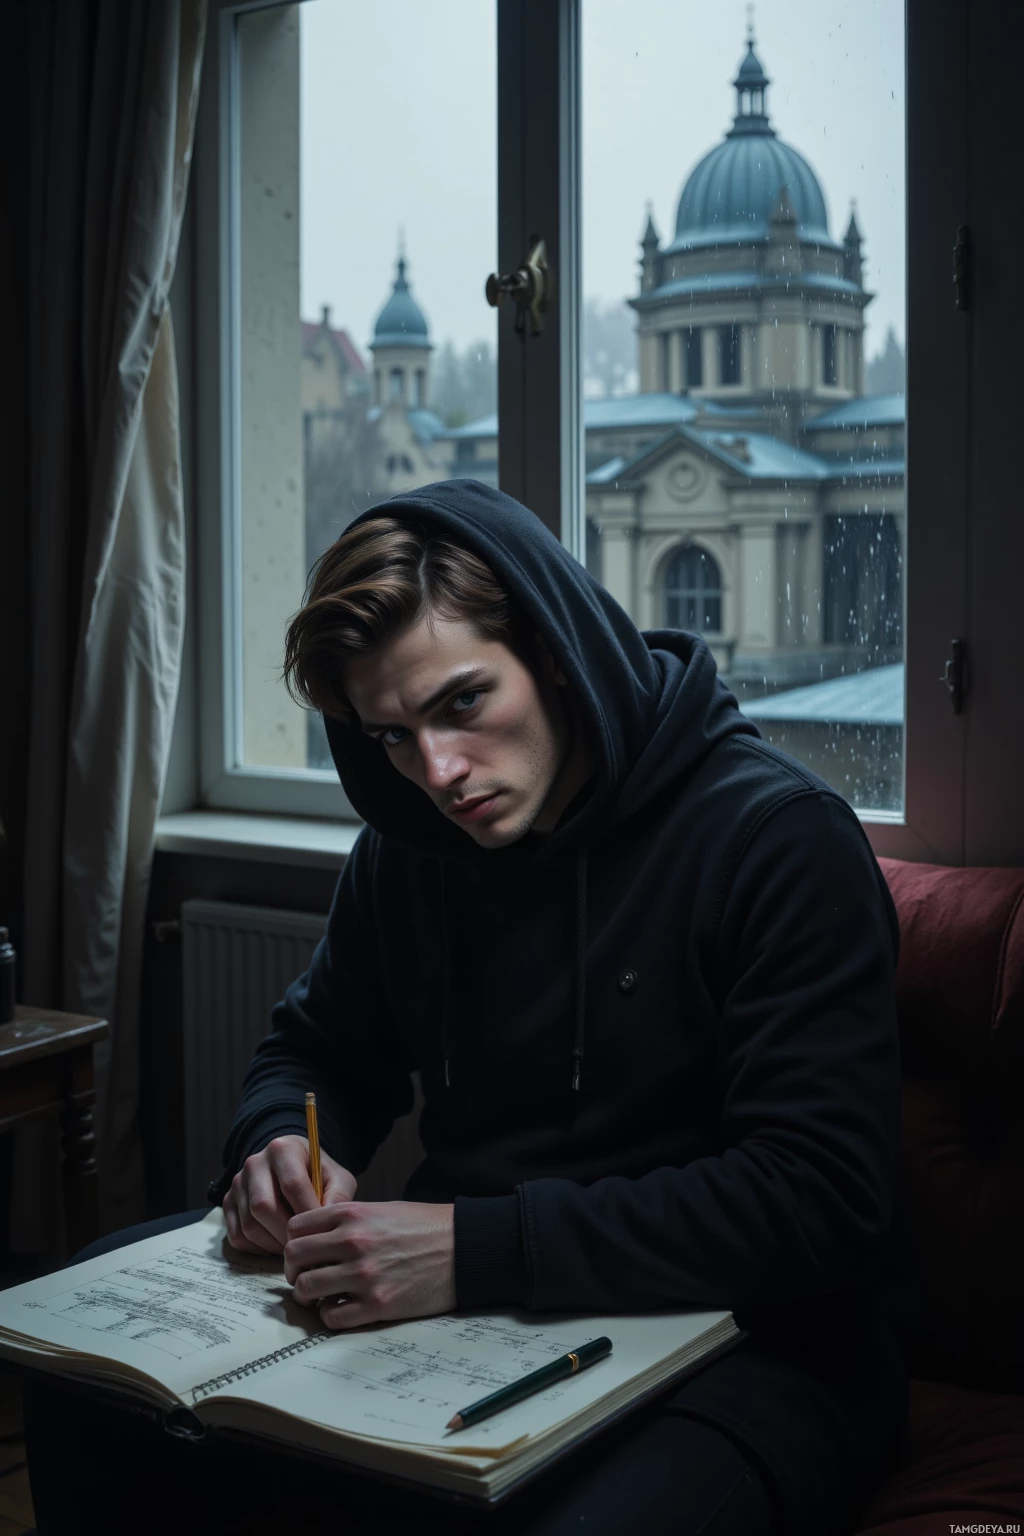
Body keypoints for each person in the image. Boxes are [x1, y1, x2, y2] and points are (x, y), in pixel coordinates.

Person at [25, 479, 908, 1535]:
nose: (437, 772)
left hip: (753, 1354)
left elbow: (819, 1201)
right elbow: (316, 1050)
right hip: (468, 1322)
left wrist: (471, 1251)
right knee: (87, 1372)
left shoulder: (781, 838)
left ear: (556, 651)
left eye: (461, 704)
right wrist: (276, 1143)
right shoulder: (411, 849)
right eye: (391, 735)